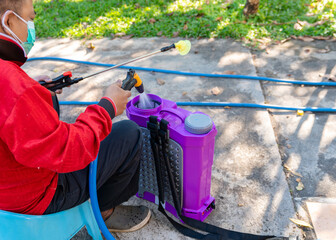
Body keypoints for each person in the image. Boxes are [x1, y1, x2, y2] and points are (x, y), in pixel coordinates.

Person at [0, 0, 151, 233]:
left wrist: (34, 89)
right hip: (34, 197)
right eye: (29, 19)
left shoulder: (12, 81)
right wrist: (107, 108)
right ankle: (104, 212)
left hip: (7, 185)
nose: (31, 26)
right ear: (8, 20)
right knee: (129, 134)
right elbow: (69, 151)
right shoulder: (13, 87)